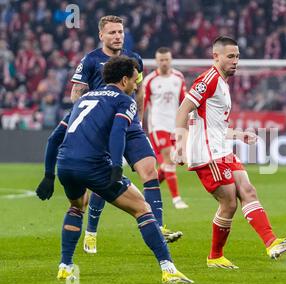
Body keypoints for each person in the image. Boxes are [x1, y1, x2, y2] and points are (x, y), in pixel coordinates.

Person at [35, 16, 182, 255]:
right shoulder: (91, 60)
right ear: (101, 36)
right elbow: (76, 95)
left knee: (150, 170)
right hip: (101, 126)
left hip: (130, 123)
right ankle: (91, 232)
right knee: (102, 182)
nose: (117, 36)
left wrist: (139, 122)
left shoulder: (134, 59)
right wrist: (98, 110)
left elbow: (141, 93)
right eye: (112, 32)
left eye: (120, 32)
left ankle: (158, 224)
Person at [55, 56, 193, 284]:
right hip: (95, 164)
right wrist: (117, 166)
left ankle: (65, 264)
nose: (137, 83)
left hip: (66, 162)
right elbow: (118, 133)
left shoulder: (84, 97)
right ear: (125, 79)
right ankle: (168, 269)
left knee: (76, 207)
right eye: (134, 78)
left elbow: (54, 137)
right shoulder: (124, 99)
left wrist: (50, 173)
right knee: (141, 208)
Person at [173, 36, 286, 269]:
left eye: (237, 56)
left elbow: (214, 124)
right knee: (229, 203)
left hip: (221, 148)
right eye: (230, 56)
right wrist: (179, 146)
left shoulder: (222, 83)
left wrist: (238, 135)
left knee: (248, 190)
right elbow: (184, 109)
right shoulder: (208, 79)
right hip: (208, 153)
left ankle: (272, 243)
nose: (235, 61)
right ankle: (215, 256)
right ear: (216, 56)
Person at [143, 47, 189, 210]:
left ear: (171, 60)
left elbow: (184, 102)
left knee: (170, 163)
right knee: (169, 159)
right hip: (158, 125)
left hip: (174, 126)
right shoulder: (150, 80)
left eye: (166, 59)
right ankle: (176, 199)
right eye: (161, 60)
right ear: (156, 61)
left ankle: (148, 190)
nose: (164, 62)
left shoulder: (178, 77)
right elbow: (143, 105)